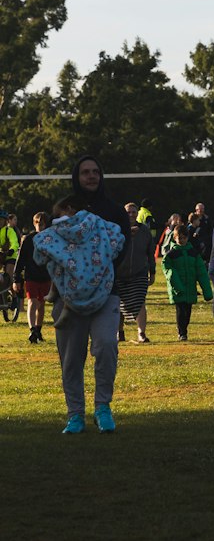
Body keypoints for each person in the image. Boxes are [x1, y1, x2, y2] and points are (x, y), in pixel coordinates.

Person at [33, 179, 127, 435]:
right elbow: (41, 253)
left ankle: (102, 408)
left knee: (106, 345)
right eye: (85, 172)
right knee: (71, 360)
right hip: (68, 298)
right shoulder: (58, 232)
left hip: (105, 294)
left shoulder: (108, 216)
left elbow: (120, 243)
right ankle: (75, 414)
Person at [163, 225, 212, 340]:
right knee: (180, 310)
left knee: (188, 311)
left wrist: (207, 291)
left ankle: (184, 330)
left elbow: (202, 273)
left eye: (184, 238)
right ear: (174, 238)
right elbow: (168, 270)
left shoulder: (193, 253)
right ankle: (182, 332)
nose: (182, 240)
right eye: (179, 238)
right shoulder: (171, 254)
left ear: (187, 238)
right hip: (178, 289)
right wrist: (177, 285)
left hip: (190, 288)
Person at [118, 202, 156, 343]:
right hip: (119, 273)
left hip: (139, 272)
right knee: (118, 303)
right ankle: (119, 332)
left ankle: (141, 333)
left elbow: (150, 252)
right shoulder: (118, 230)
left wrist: (152, 272)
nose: (132, 214)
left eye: (134, 212)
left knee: (140, 300)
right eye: (128, 212)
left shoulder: (144, 231)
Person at [12, 211, 52, 343]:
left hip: (46, 276)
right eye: (38, 223)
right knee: (32, 302)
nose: (40, 226)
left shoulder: (51, 239)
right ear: (34, 223)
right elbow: (20, 260)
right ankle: (32, 330)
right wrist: (16, 279)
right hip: (31, 276)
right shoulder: (28, 239)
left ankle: (38, 330)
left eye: (43, 223)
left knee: (41, 304)